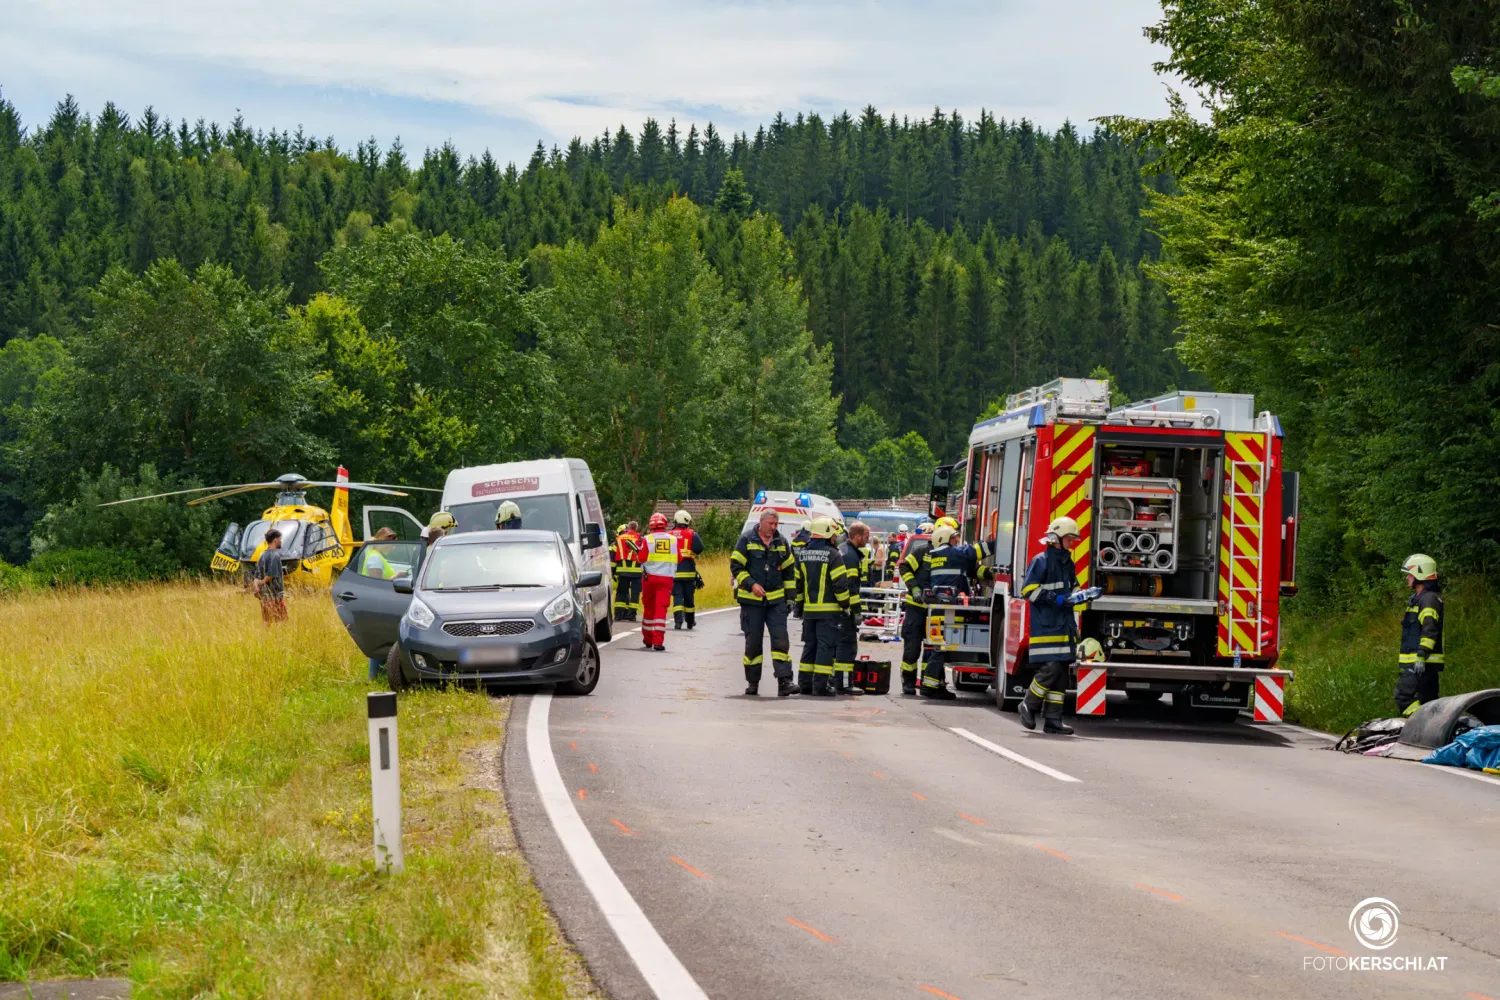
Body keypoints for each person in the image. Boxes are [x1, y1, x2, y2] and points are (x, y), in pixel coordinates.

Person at [1018, 516, 1100, 735]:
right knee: (1051, 668)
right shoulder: (1041, 561)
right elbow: (1028, 591)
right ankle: (1029, 703)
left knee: (1061, 672)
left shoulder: (1067, 563)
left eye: (1073, 539)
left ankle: (1054, 720)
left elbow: (1072, 588)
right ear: (1056, 538)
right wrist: (1056, 599)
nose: (1072, 543)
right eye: (1069, 538)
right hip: (1046, 626)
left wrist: (1081, 595)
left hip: (1064, 626)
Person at [917, 523, 993, 700]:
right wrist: (1001, 542)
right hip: (949, 609)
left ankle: (936, 685)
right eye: (954, 538)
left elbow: (972, 569)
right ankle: (930, 687)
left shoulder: (937, 555)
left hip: (938, 607)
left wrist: (989, 574)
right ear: (945, 540)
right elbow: (975, 553)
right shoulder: (952, 553)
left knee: (936, 645)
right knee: (941, 647)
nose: (957, 540)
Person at [732, 509, 799, 696]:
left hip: (776, 601)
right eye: (771, 523)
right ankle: (753, 683)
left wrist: (790, 598)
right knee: (753, 642)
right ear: (761, 522)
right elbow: (736, 567)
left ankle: (784, 681)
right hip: (751, 601)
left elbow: (789, 571)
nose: (774, 527)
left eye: (776, 524)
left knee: (781, 640)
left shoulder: (782, 542)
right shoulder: (746, 540)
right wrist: (751, 585)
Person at [794, 516, 851, 697]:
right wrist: (845, 606)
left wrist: (800, 606)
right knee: (825, 647)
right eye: (834, 534)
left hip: (809, 612)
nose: (835, 538)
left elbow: (798, 584)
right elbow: (840, 585)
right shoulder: (833, 555)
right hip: (829, 612)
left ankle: (804, 684)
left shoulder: (801, 553)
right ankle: (821, 686)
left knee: (809, 646)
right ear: (827, 533)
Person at [895, 519, 941, 695]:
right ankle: (908, 683)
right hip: (916, 608)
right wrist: (914, 587)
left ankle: (928, 684)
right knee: (912, 649)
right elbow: (904, 567)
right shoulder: (922, 551)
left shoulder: (949, 554)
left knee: (933, 650)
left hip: (937, 610)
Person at [1396, 553, 1444, 715]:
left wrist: (1421, 655)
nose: (1407, 578)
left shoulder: (1428, 599)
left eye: (1410, 574)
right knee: (1428, 702)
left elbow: (1430, 630)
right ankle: (1434, 733)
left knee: (1403, 697)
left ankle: (1422, 725)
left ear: (1419, 574)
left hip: (1420, 662)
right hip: (1421, 662)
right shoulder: (1419, 599)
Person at [834, 521, 874, 695]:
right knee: (847, 646)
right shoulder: (850, 556)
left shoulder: (843, 550)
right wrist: (857, 611)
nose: (868, 540)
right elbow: (851, 589)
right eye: (866, 537)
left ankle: (835, 681)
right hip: (846, 611)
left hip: (837, 609)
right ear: (857, 536)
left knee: (836, 646)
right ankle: (844, 684)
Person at [638, 513, 679, 651]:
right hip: (666, 579)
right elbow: (679, 558)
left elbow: (641, 558)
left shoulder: (647, 539)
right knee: (661, 609)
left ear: (651, 525)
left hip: (649, 578)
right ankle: (658, 642)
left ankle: (648, 639)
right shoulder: (673, 540)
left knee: (649, 608)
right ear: (665, 524)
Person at [363, 527, 400, 679]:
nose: (393, 547)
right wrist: (397, 576)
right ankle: (375, 675)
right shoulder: (375, 558)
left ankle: (377, 674)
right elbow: (376, 583)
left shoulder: (375, 555)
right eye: (391, 544)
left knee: (379, 638)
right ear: (384, 541)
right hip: (376, 604)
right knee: (379, 639)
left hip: (377, 603)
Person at [670, 509, 706, 630]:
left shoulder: (669, 535)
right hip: (689, 572)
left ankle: (678, 622)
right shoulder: (692, 534)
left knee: (677, 597)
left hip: (674, 572)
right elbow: (699, 549)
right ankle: (690, 622)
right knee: (689, 598)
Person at [251, 528, 288, 624]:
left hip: (264, 596)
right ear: (275, 540)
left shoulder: (261, 555)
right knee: (281, 622)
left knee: (266, 622)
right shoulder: (275, 556)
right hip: (275, 595)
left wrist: (256, 588)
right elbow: (271, 575)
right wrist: (262, 582)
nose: (281, 541)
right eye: (280, 539)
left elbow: (256, 576)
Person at [612, 522, 643, 622]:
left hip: (622, 570)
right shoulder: (640, 538)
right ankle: (631, 615)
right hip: (636, 572)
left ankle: (618, 614)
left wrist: (613, 571)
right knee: (635, 594)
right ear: (636, 528)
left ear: (628, 527)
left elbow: (615, 553)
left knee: (621, 592)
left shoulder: (619, 538)